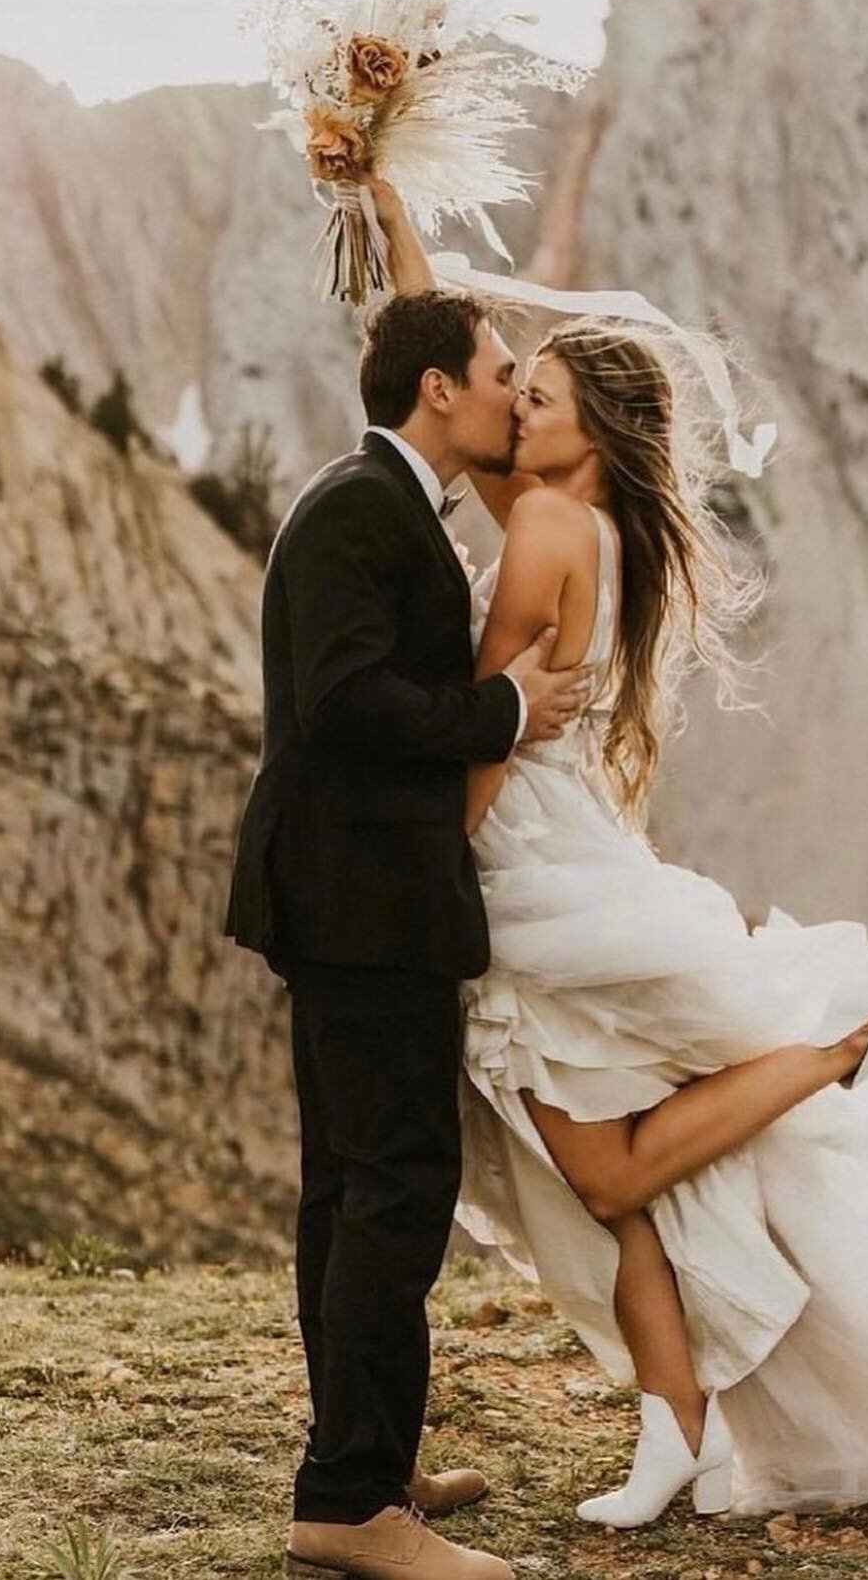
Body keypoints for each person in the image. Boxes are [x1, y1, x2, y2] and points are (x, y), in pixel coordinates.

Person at [368, 176, 868, 1532]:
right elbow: (442, 360)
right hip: (570, 852)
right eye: (510, 388)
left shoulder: (540, 524)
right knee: (626, 1193)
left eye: (533, 395)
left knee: (603, 1175)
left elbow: (484, 739)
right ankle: (679, 1432)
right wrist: (384, 204)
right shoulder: (571, 512)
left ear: (586, 427)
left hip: (532, 874)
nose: (507, 403)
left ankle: (835, 1047)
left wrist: (433, 872)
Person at [224, 283, 601, 1580]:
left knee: (352, 1183)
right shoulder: (353, 508)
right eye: (500, 371)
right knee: (392, 1184)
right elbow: (341, 701)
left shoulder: (382, 502)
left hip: (355, 895)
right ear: (439, 386)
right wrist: (500, 709)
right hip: (360, 900)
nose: (511, 390)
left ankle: (368, 1461)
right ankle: (349, 1499)